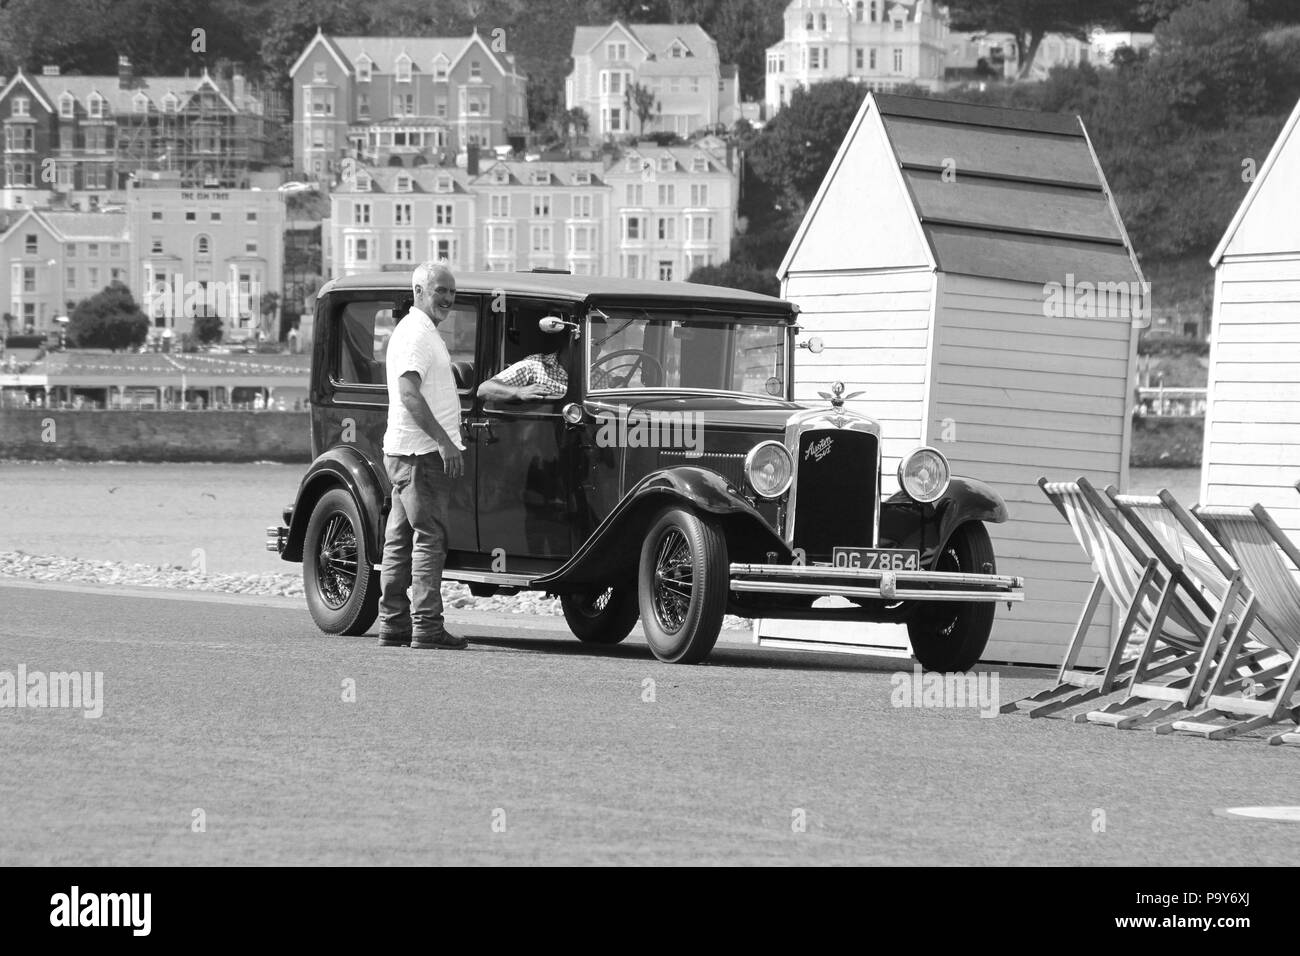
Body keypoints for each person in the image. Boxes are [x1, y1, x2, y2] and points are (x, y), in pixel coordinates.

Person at [378, 261, 469, 650]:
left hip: (403, 450)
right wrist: (445, 442)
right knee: (430, 536)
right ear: (419, 291)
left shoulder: (420, 331)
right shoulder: (416, 334)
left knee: (399, 540)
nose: (448, 298)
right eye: (440, 291)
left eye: (451, 292)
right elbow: (409, 393)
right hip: (420, 453)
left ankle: (393, 624)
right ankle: (427, 626)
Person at [475, 329, 569, 402]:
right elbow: (484, 389)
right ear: (568, 343)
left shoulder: (583, 375)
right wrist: (519, 391)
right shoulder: (535, 365)